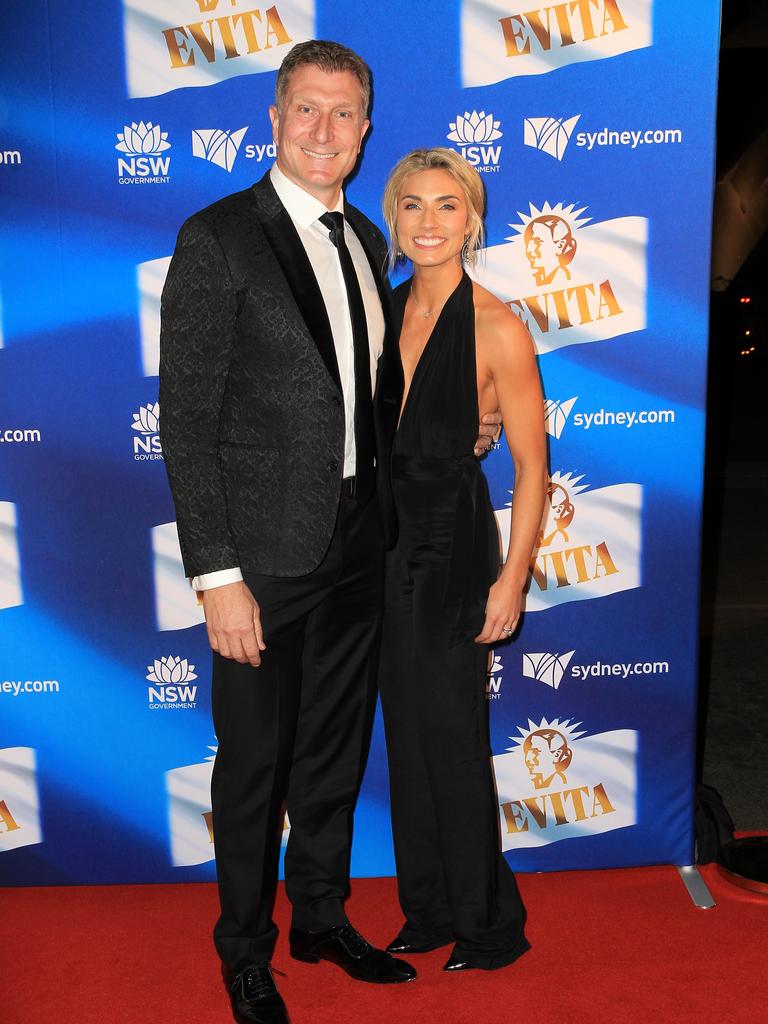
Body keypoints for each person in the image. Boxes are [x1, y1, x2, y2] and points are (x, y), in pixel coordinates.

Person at [159, 42, 500, 1024]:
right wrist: (218, 573)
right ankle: (243, 952)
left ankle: (318, 915)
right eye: (307, 110)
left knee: (334, 754)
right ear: (275, 117)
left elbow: (364, 392)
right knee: (255, 761)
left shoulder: (367, 236)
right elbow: (186, 418)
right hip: (261, 560)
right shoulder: (218, 237)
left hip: (363, 541)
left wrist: (449, 428)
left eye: (344, 114)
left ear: (364, 130)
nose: (323, 131)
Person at [378, 148, 547, 971]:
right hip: (375, 541)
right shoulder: (378, 308)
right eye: (412, 206)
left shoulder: (497, 325)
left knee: (448, 731)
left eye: (447, 206)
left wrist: (510, 578)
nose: (429, 222)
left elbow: (530, 467)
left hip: (452, 542)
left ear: (473, 219)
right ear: (394, 217)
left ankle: (487, 923)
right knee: (404, 735)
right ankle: (429, 906)